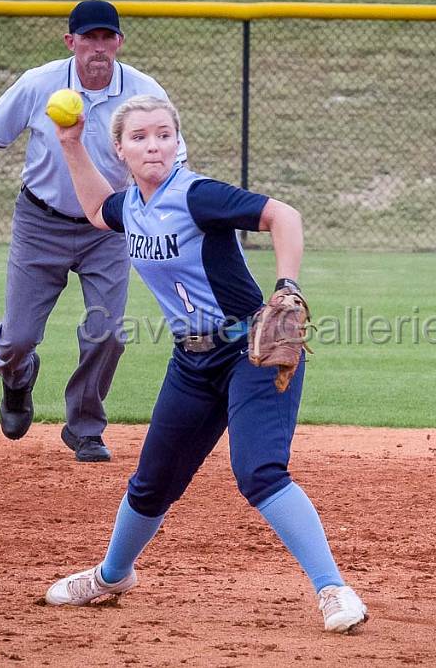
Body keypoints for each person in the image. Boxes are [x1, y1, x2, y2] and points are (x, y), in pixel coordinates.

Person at [43, 94, 369, 634]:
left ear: (178, 142)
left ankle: (333, 589)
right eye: (141, 136)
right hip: (191, 360)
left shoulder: (197, 195)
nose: (154, 144)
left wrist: (286, 286)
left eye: (164, 134)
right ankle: (111, 576)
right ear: (120, 149)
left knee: (259, 471)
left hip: (253, 350)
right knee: (152, 482)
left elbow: (282, 215)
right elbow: (99, 211)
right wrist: (72, 144)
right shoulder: (132, 206)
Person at [0, 0, 186, 462]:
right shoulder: (40, 84)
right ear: (70, 42)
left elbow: (172, 159)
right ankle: (17, 376)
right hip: (40, 222)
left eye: (106, 38)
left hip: (109, 226)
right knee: (17, 338)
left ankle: (84, 426)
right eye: (87, 38)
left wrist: (169, 215)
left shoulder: (143, 92)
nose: (98, 48)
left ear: (119, 42)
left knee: (108, 332)